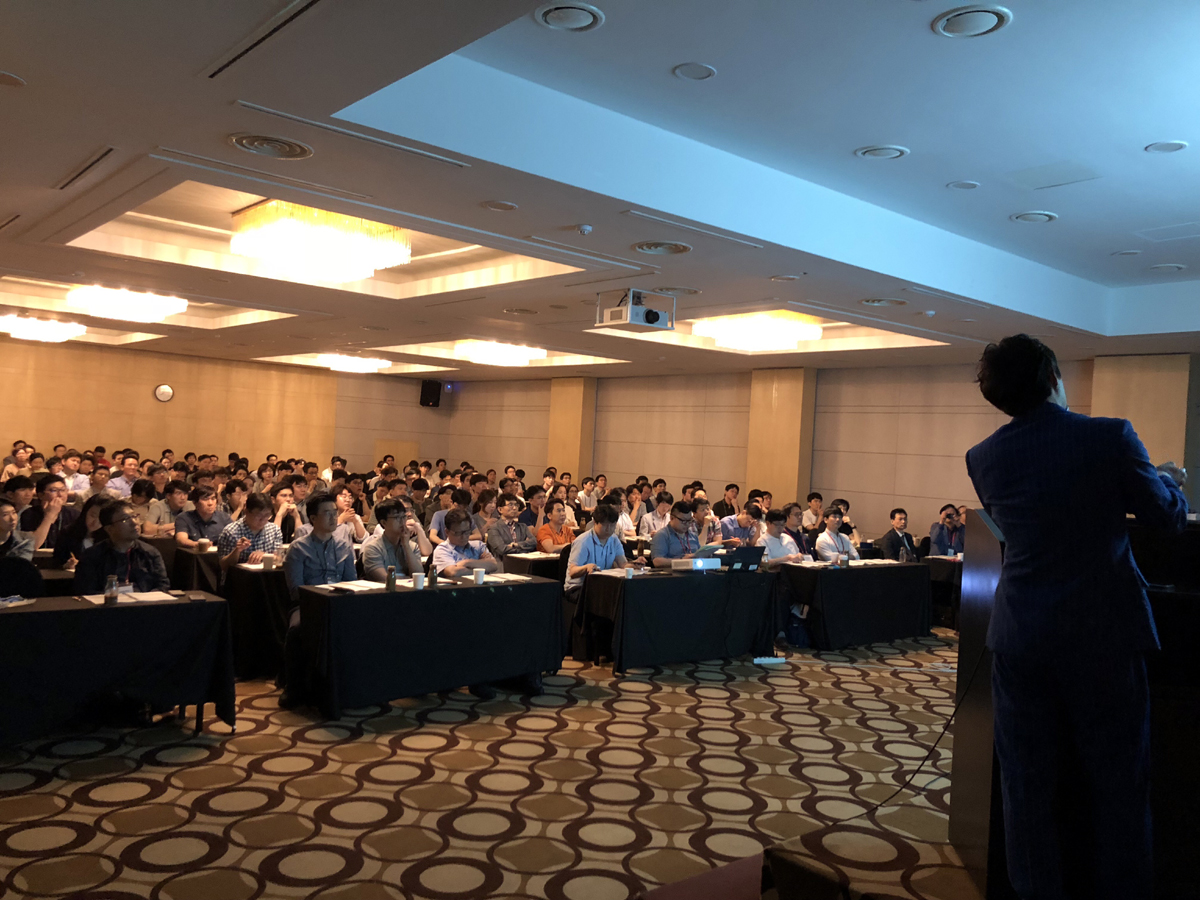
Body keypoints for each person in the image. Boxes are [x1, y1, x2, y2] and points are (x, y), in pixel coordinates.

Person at [966, 334, 1187, 900]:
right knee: (1118, 783)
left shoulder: (983, 457)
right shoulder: (1110, 436)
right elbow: (1164, 517)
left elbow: (1025, 522)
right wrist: (1168, 479)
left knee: (1025, 785)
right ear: (1053, 377)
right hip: (1102, 635)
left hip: (1019, 637)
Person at [279, 491, 358, 708]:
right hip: (307, 605)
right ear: (313, 518)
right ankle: (293, 686)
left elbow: (352, 581)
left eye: (335, 512)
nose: (334, 518)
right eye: (327, 513)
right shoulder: (298, 548)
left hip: (339, 603)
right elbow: (295, 589)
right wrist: (321, 599)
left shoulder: (344, 545)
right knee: (297, 629)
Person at [73, 501, 171, 593]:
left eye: (134, 516)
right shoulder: (92, 556)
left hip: (144, 604)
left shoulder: (150, 553)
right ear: (109, 529)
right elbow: (85, 590)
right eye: (125, 520)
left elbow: (163, 585)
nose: (134, 522)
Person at [565, 503, 637, 597]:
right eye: (605, 525)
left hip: (601, 585)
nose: (609, 529)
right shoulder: (583, 541)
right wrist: (586, 567)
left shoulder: (614, 540)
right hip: (578, 587)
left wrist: (635, 564)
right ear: (595, 522)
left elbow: (623, 564)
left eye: (612, 525)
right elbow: (572, 571)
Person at [217, 492, 283, 577]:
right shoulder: (231, 531)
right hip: (239, 579)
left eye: (267, 515)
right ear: (246, 512)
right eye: (258, 515)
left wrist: (265, 555)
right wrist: (237, 550)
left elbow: (280, 559)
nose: (263, 519)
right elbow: (223, 566)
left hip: (267, 579)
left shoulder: (274, 530)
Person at [361, 498, 428, 581]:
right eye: (397, 517)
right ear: (383, 522)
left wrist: (406, 546)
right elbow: (385, 579)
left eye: (403, 517)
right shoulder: (373, 548)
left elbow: (418, 576)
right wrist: (408, 579)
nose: (402, 521)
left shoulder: (412, 546)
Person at [432, 508, 499, 578]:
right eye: (458, 533)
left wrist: (467, 563)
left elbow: (493, 565)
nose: (463, 536)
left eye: (467, 532)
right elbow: (453, 572)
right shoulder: (442, 549)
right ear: (447, 532)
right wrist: (482, 568)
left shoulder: (478, 546)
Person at [53, 494, 113, 569]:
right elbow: (57, 561)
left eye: (102, 518)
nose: (95, 522)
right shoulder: (68, 533)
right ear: (85, 512)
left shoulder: (112, 537)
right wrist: (66, 565)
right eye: (92, 515)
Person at [20, 475, 79, 551]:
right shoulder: (29, 514)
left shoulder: (74, 514)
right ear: (41, 495)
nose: (60, 495)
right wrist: (49, 516)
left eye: (63, 490)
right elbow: (32, 545)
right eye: (54, 491)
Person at [650, 500, 702, 567]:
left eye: (689, 521)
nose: (687, 524)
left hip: (695, 571)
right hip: (672, 572)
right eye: (683, 521)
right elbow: (657, 561)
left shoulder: (693, 535)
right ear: (672, 518)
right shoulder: (662, 536)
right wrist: (681, 561)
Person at [486, 493, 537, 559]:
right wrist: (525, 548)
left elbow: (533, 542)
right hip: (504, 562)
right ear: (500, 509)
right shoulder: (494, 528)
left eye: (516, 505)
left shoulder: (522, 526)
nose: (514, 508)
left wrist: (516, 545)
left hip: (524, 561)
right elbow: (502, 549)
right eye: (510, 505)